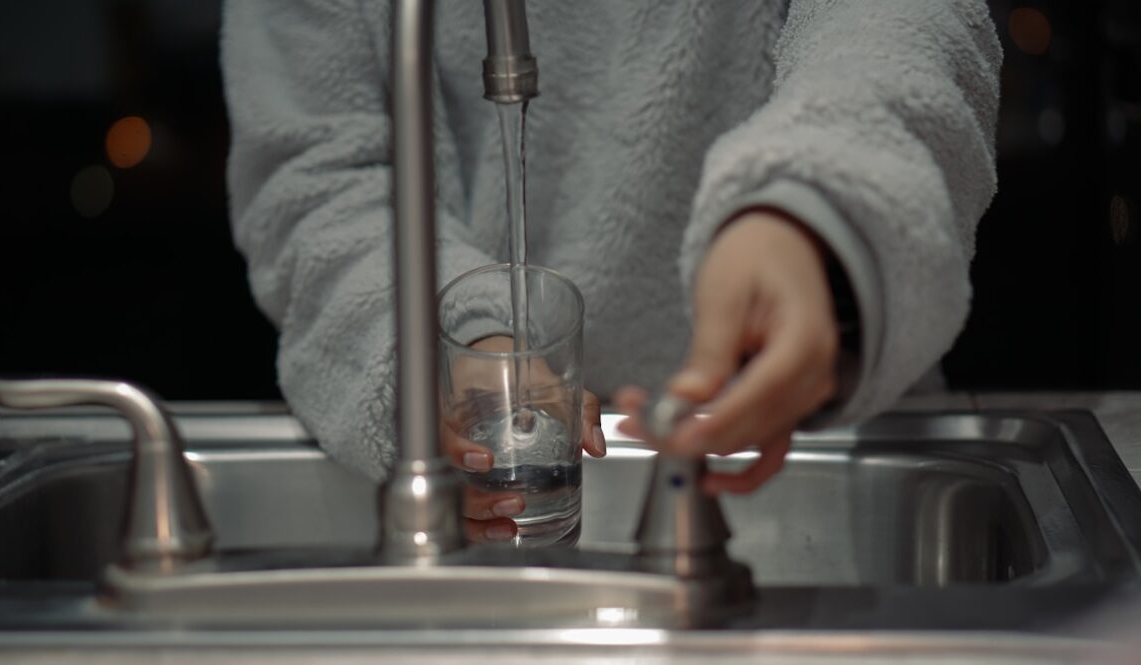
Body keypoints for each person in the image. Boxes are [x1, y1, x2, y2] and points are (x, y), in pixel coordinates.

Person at [220, 1, 1001, 540]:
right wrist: (449, 343)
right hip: (472, 507)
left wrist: (812, 210)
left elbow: (901, 26)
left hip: (815, 463)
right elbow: (315, 175)